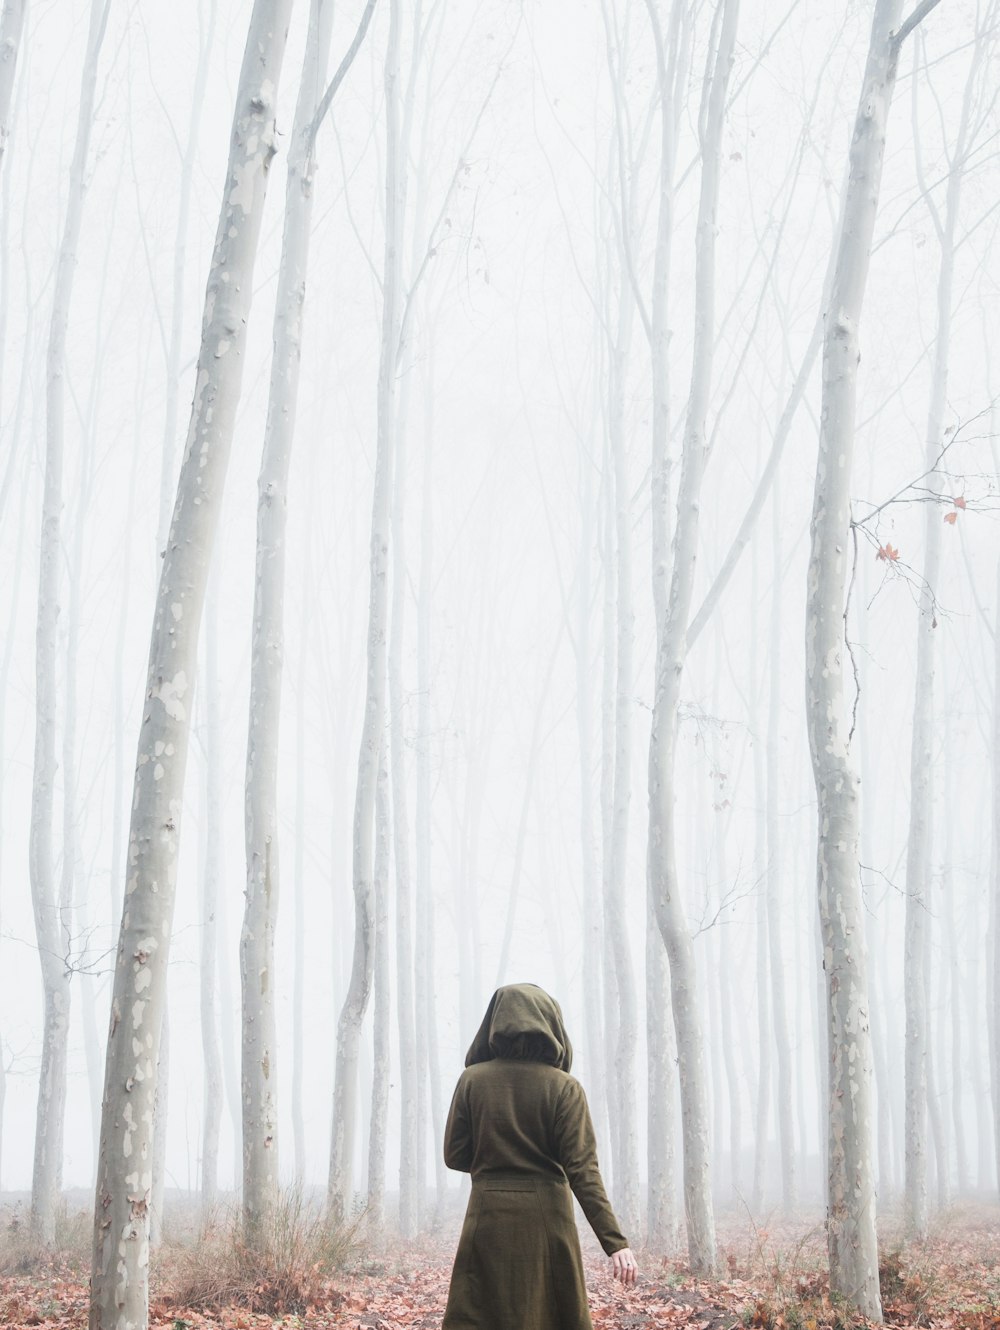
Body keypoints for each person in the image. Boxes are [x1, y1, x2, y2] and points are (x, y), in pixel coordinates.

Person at [442, 982, 638, 1329]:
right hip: (548, 1221)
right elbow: (583, 1171)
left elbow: (455, 1155)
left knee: (481, 1314)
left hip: (487, 1218)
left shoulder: (472, 1080)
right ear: (550, 1023)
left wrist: (493, 1162)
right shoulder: (565, 1088)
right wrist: (614, 1242)